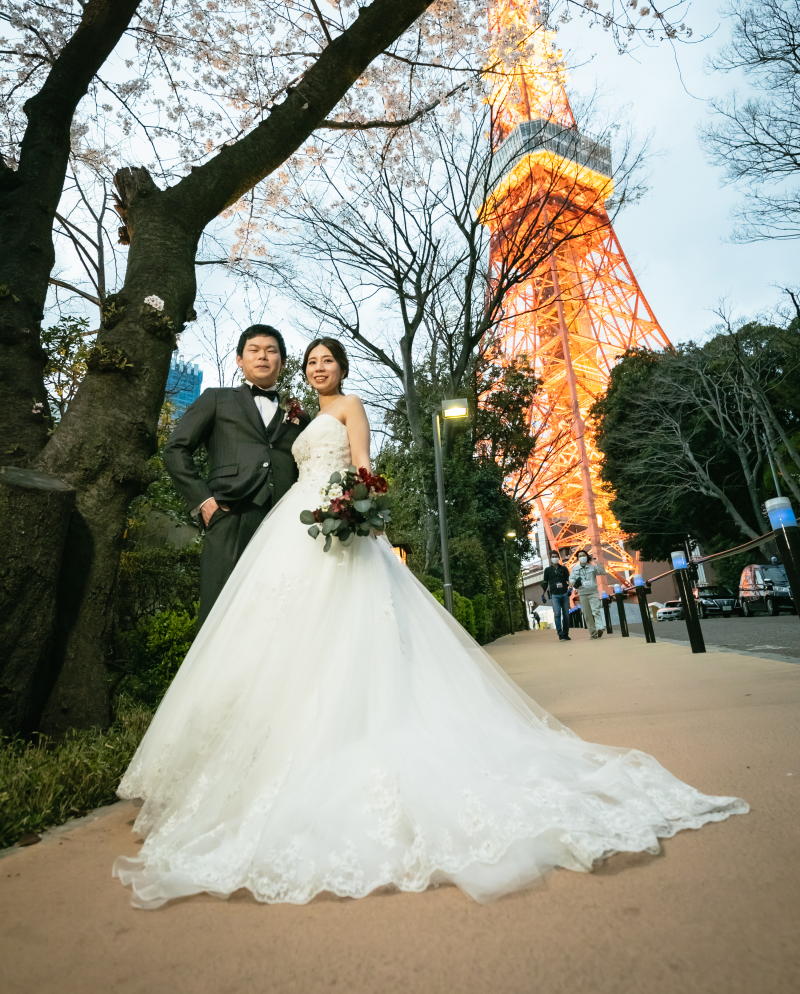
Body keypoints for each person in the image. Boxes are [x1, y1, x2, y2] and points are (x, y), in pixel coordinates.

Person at [113, 338, 747, 909]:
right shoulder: (293, 415)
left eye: (323, 360)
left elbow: (362, 463)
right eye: (309, 362)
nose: (315, 368)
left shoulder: (346, 406)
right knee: (279, 637)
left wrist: (356, 508)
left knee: (342, 632)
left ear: (341, 368)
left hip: (330, 521)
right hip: (289, 529)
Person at [163, 324, 311, 625]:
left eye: (271, 351)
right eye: (254, 350)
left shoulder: (299, 414)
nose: (263, 356)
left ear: (282, 362)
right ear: (239, 360)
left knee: (278, 614)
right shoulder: (216, 399)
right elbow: (175, 449)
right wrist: (204, 501)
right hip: (230, 515)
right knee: (220, 613)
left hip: (284, 523)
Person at [570, 549, 606, 639]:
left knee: (596, 610)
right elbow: (571, 580)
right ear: (578, 558)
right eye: (580, 556)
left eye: (583, 555)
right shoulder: (575, 569)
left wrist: (598, 563)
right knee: (587, 614)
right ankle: (593, 633)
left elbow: (602, 572)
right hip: (582, 593)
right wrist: (574, 583)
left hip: (593, 592)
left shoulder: (592, 567)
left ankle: (599, 628)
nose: (582, 557)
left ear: (587, 556)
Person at [542, 550, 571, 641]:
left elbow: (569, 580)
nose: (555, 558)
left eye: (556, 557)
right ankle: (560, 632)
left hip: (564, 593)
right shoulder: (547, 570)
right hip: (554, 594)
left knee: (566, 615)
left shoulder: (564, 569)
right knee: (557, 613)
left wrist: (570, 588)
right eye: (553, 557)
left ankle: (565, 633)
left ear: (558, 558)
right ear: (550, 559)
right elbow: (545, 583)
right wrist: (543, 594)